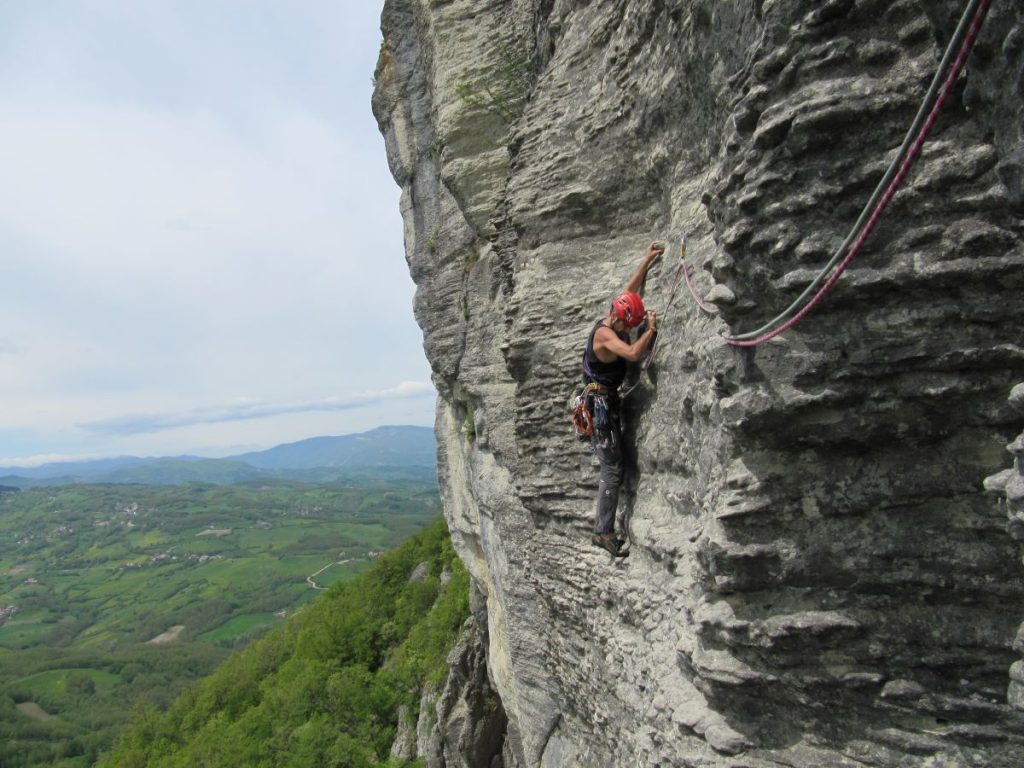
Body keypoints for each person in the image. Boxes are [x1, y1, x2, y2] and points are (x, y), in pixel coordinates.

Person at [581, 241, 662, 557]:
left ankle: (603, 528)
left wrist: (645, 261)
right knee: (611, 469)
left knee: (612, 465)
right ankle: (603, 532)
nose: (632, 327)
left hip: (605, 403)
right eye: (630, 324)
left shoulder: (612, 315)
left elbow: (628, 291)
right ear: (619, 321)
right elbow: (630, 352)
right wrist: (649, 331)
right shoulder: (605, 335)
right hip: (600, 409)